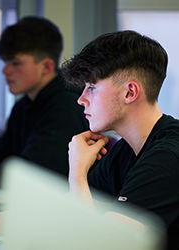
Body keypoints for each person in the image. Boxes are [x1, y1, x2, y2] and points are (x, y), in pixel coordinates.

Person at [61, 30, 179, 250]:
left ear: (130, 92)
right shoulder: (126, 149)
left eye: (92, 88)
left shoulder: (167, 158)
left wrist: (77, 173)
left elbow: (103, 245)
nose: (81, 99)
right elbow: (60, 210)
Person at [0, 16, 89, 188]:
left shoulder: (65, 108)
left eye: (15, 63)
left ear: (47, 67)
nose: (5, 70)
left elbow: (32, 174)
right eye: (6, 62)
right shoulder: (24, 104)